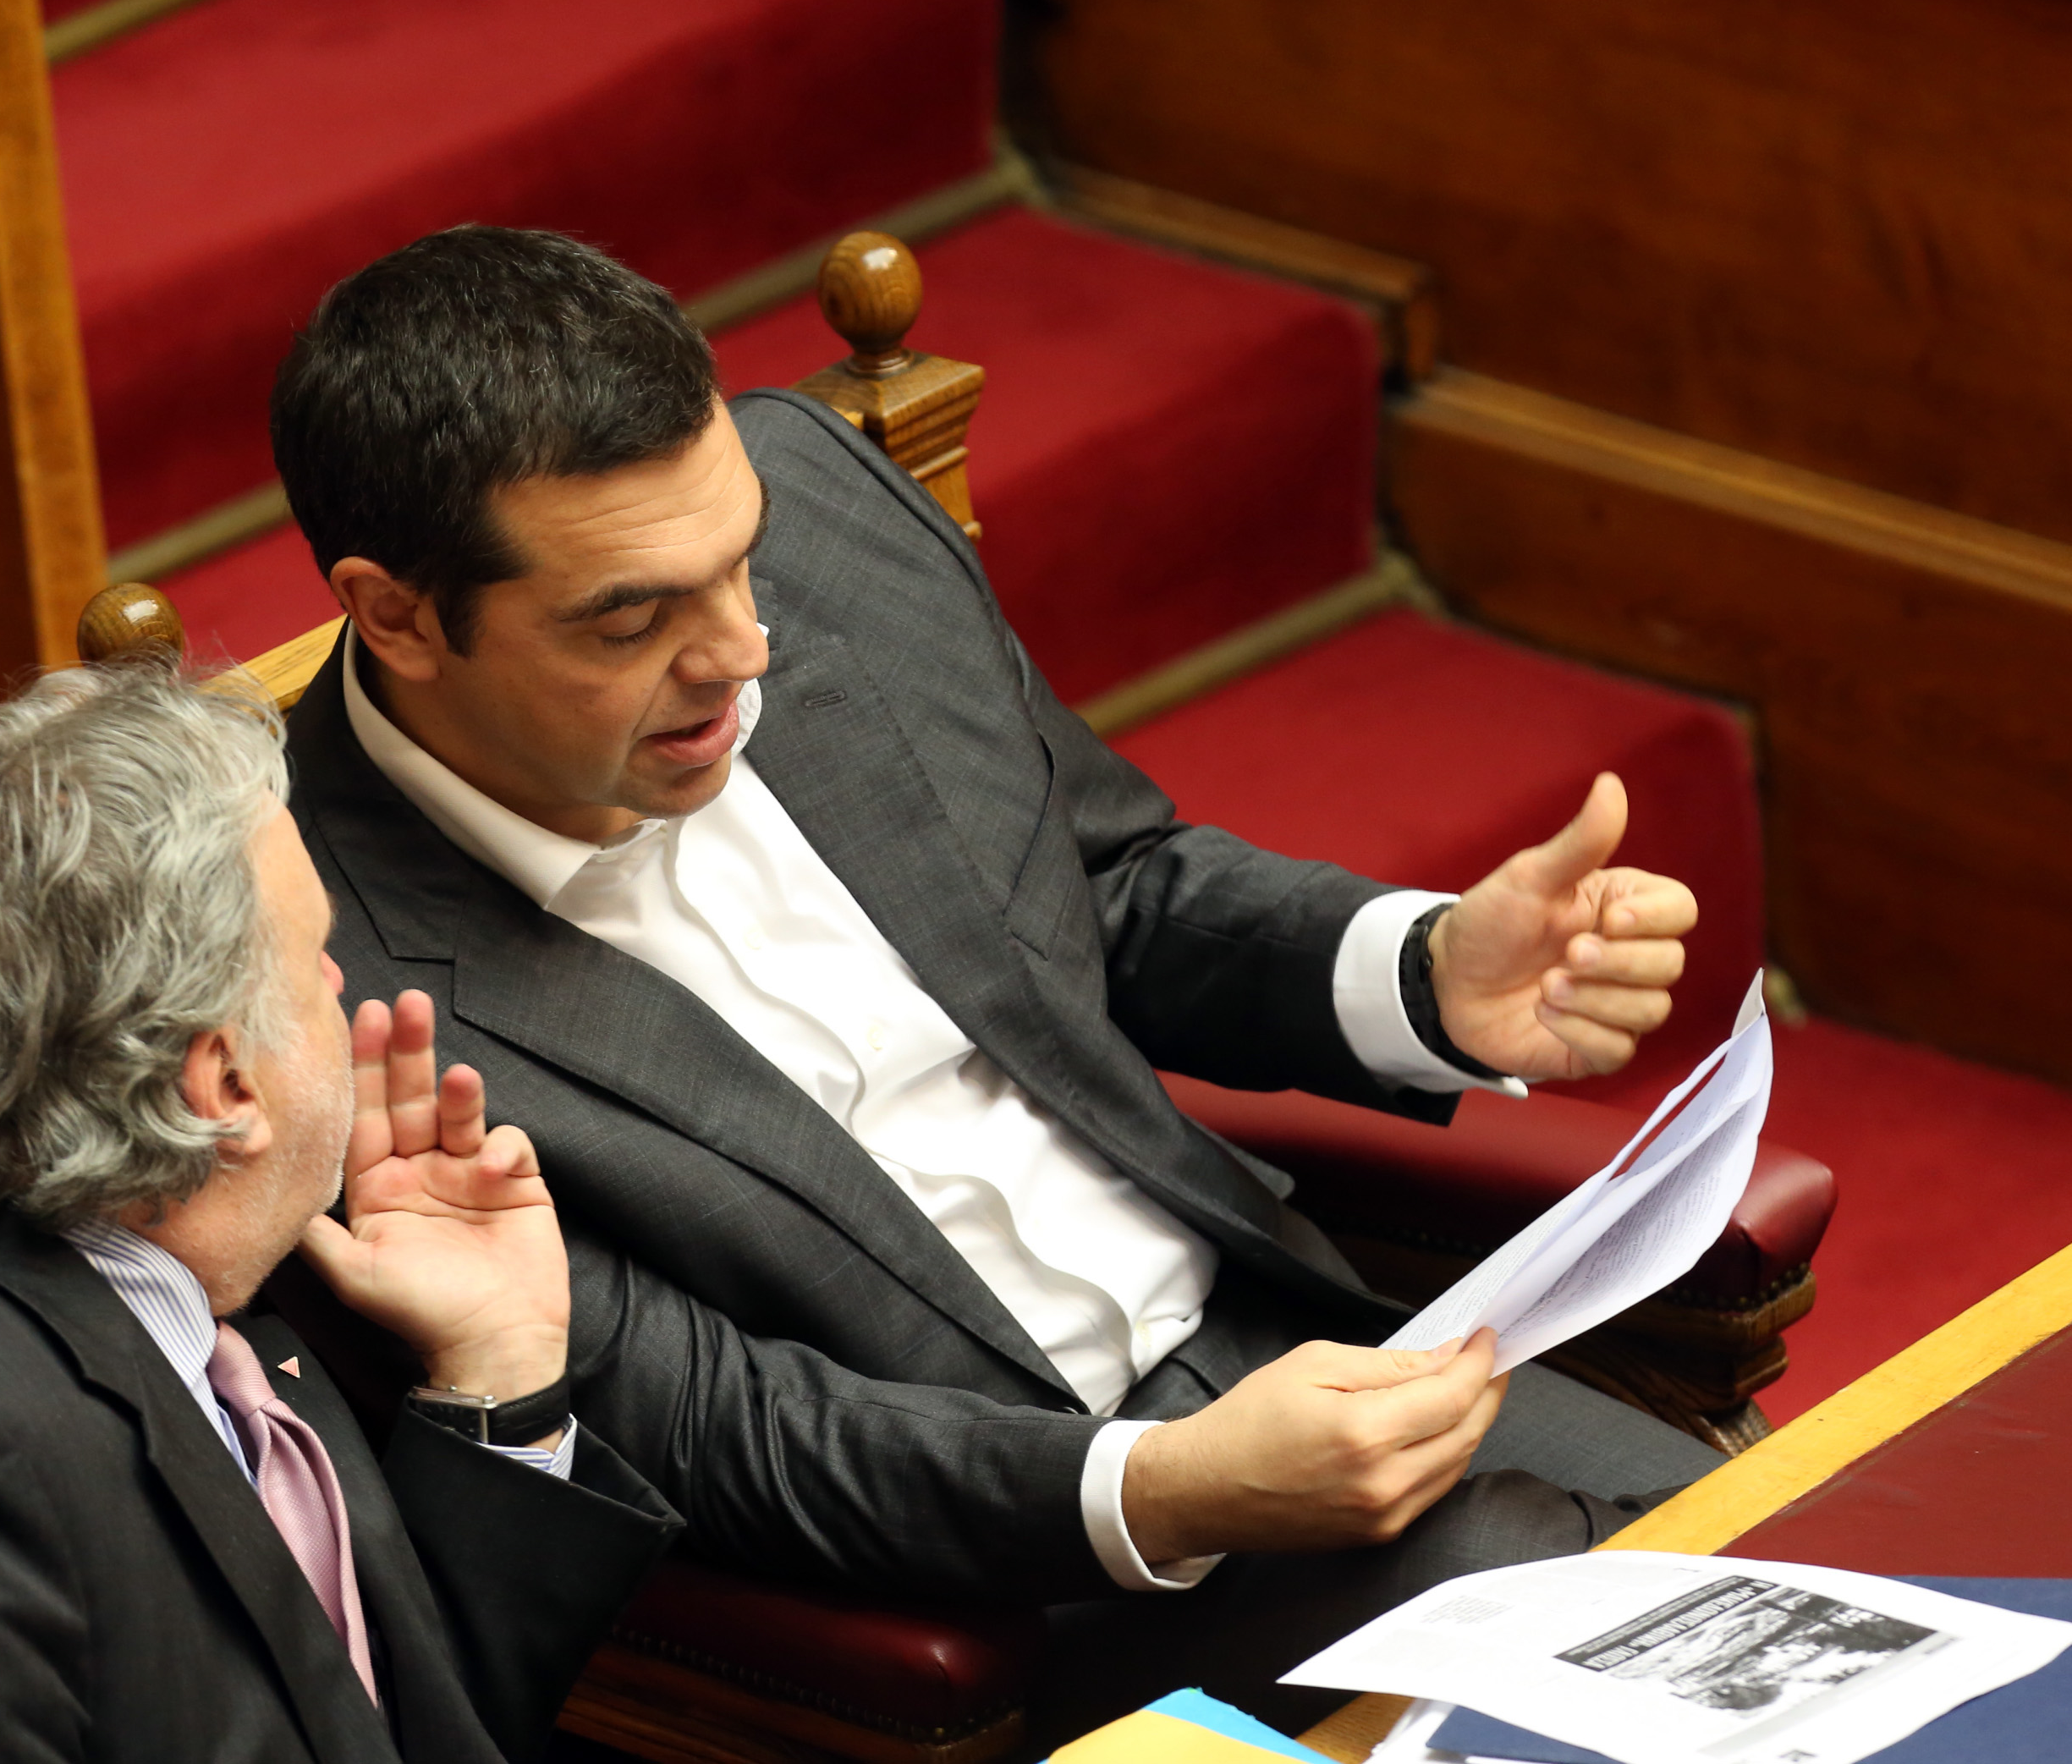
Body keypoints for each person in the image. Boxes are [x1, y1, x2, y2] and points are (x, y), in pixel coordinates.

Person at [267, 226, 1724, 1736]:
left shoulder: (821, 502)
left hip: (1290, 1347)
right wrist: (1167, 1489)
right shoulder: (320, 977)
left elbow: (1101, 880)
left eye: (739, 561)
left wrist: (1422, 972)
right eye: (632, 619)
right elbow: (716, 1424)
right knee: (1617, 1654)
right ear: (396, 615)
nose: (744, 652)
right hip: (1011, 1577)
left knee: (1805, 1554)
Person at [0, 660, 679, 1762]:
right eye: (315, 960)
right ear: (224, 1085)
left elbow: (378, 1726)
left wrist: (498, 1366)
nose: (341, 987)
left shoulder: (191, 1294)